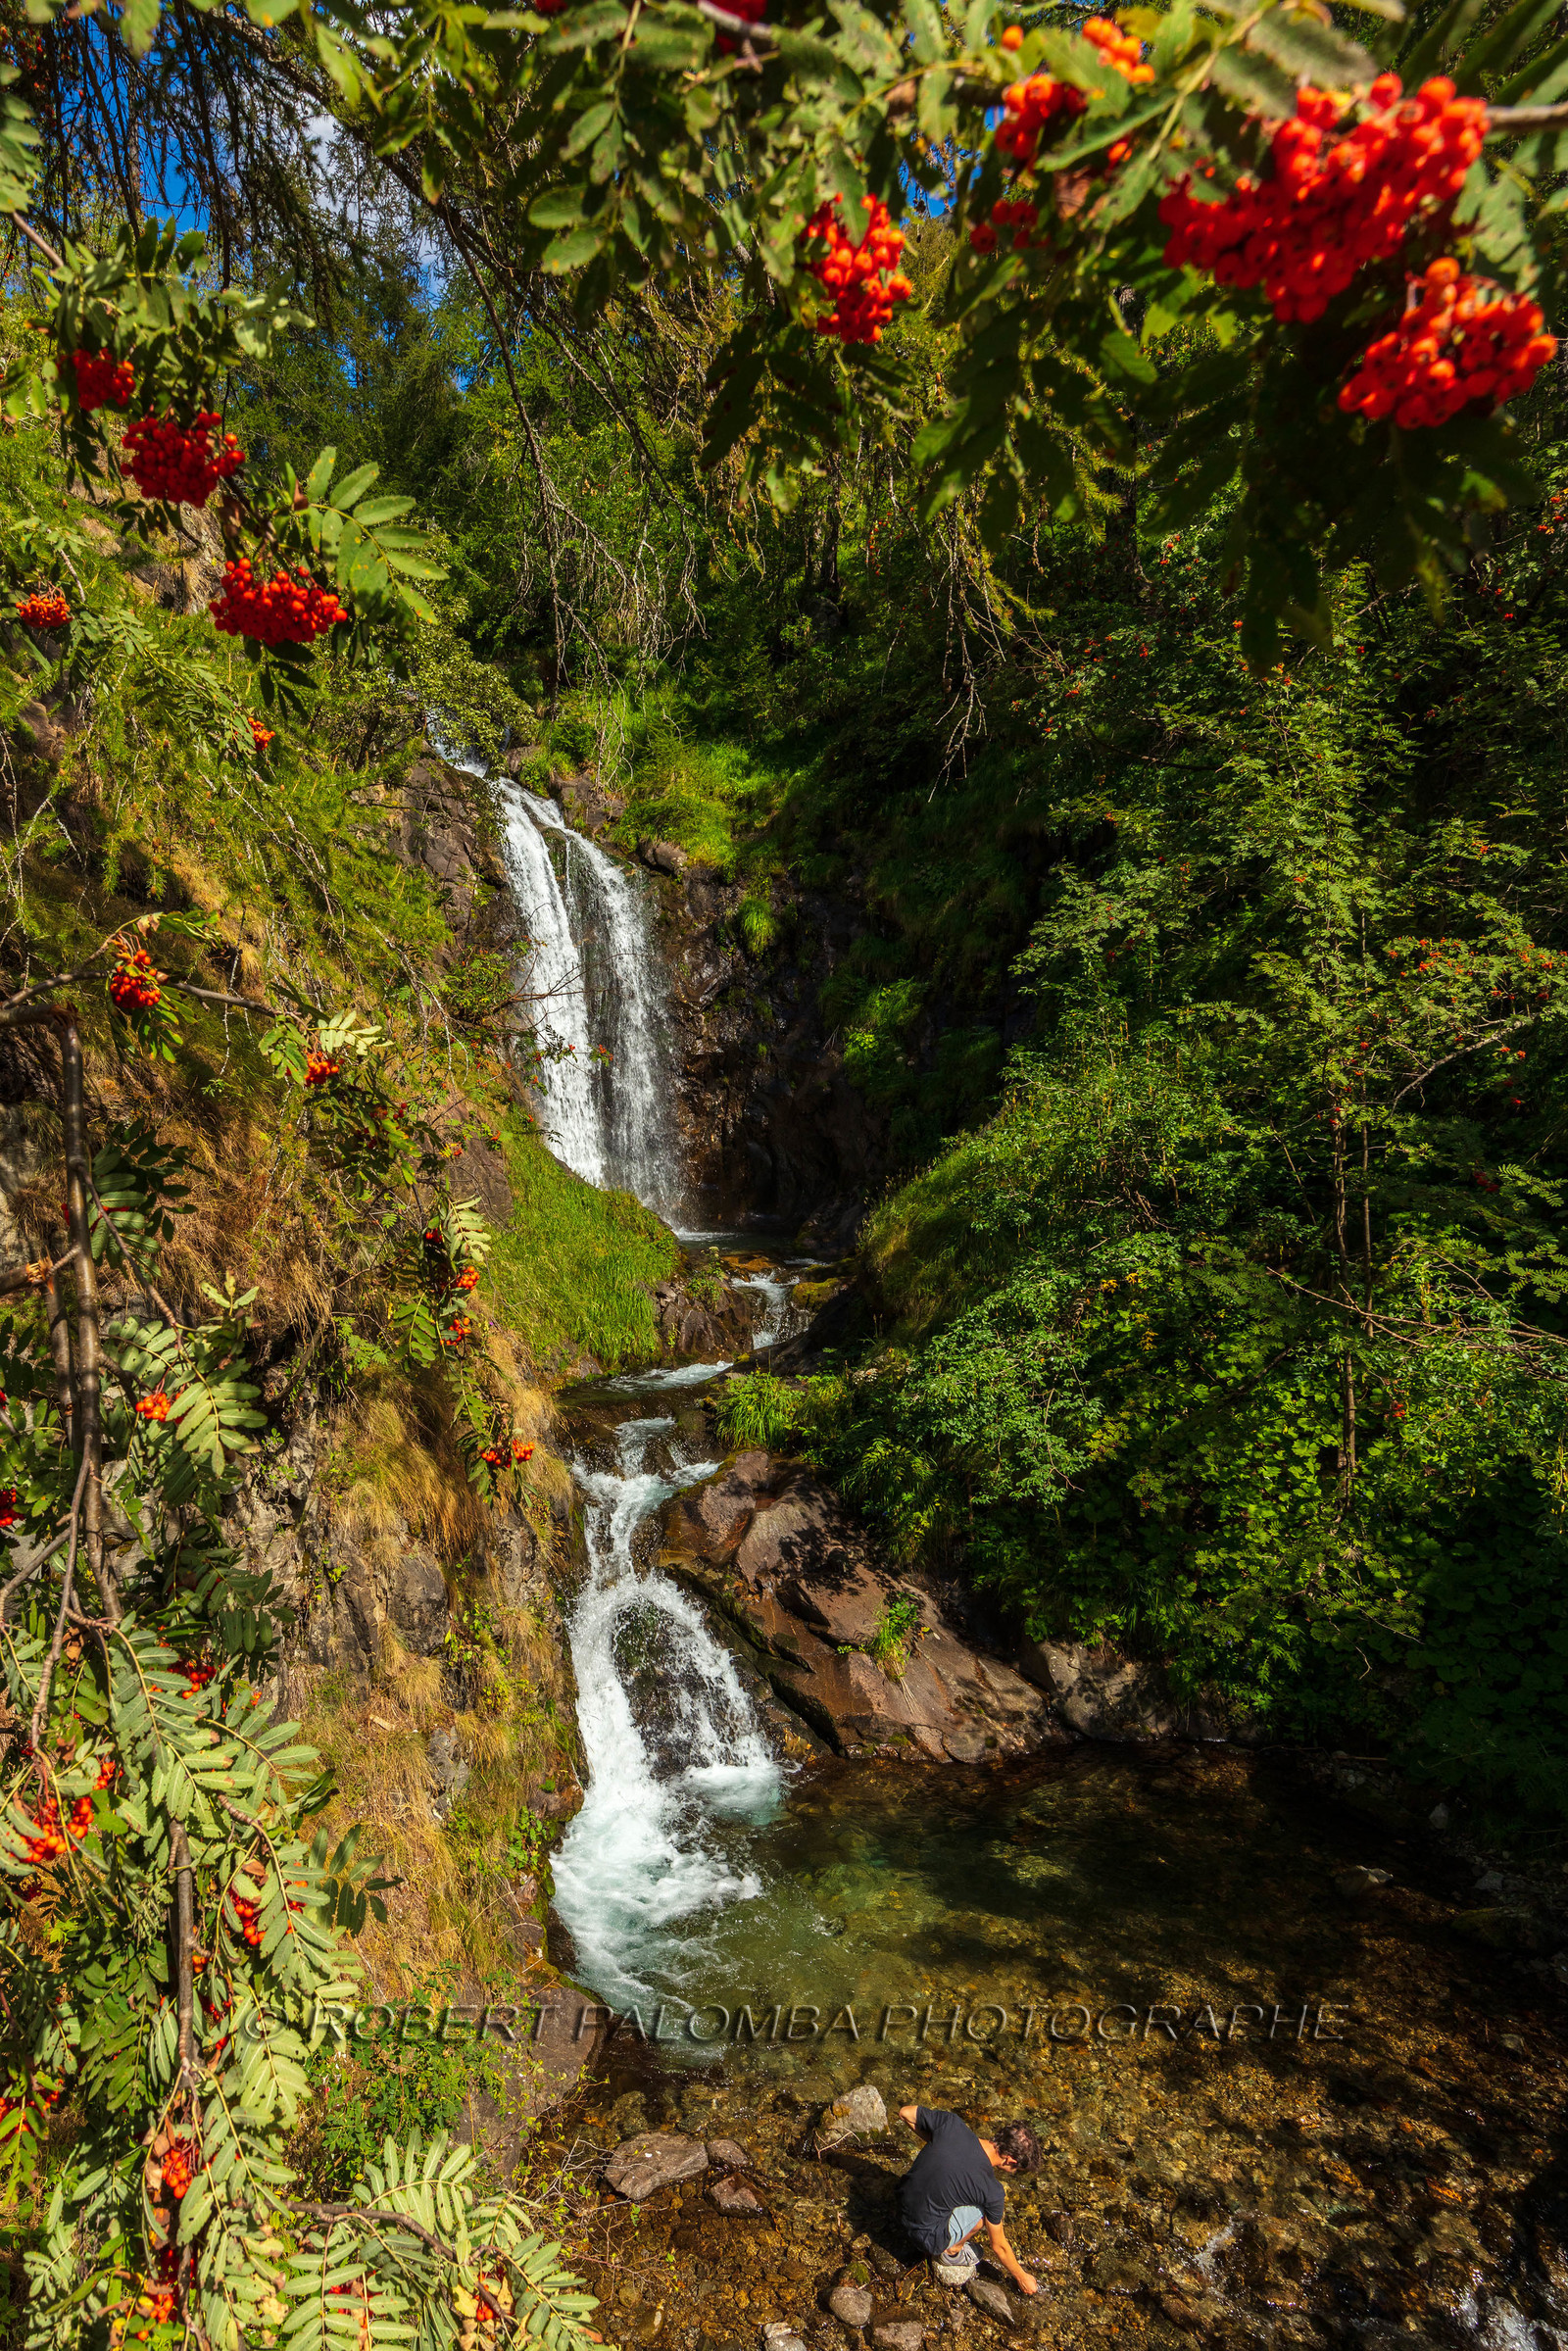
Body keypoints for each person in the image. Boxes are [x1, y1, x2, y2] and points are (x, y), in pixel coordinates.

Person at [895, 2104, 1042, 2294]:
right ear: (1010, 2160)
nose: (1013, 2172)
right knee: (983, 2214)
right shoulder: (992, 2191)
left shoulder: (951, 2125)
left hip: (900, 2205)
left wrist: (937, 2142)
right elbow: (999, 2246)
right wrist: (1022, 2277)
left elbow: (905, 2113)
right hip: (924, 2237)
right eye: (1016, 2170)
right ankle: (952, 2252)